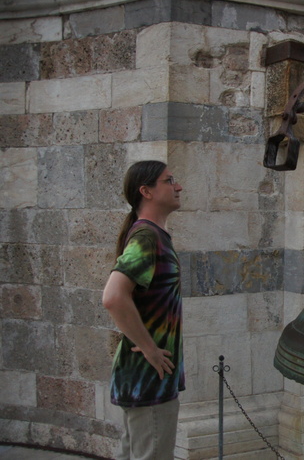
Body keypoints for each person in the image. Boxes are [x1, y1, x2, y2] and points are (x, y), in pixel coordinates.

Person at [102, 160, 185, 459]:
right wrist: (149, 348)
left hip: (144, 379)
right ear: (146, 191)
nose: (178, 186)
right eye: (169, 180)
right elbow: (113, 297)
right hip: (149, 379)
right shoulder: (147, 237)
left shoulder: (152, 235)